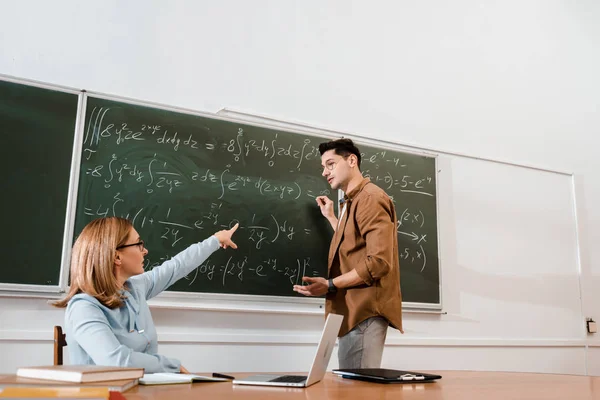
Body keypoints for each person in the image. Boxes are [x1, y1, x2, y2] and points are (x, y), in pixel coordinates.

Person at [53, 216, 239, 373]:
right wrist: (171, 366)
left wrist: (215, 240)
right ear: (116, 257)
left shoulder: (135, 288)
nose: (145, 251)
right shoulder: (83, 308)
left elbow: (177, 266)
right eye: (138, 244)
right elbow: (116, 361)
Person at [293, 138, 402, 369]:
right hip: (352, 313)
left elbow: (379, 263)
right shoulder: (351, 202)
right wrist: (332, 218)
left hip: (363, 313)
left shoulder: (370, 199)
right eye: (323, 167)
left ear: (351, 160)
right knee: (351, 387)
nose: (325, 172)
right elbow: (353, 242)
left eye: (330, 164)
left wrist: (330, 284)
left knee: (357, 391)